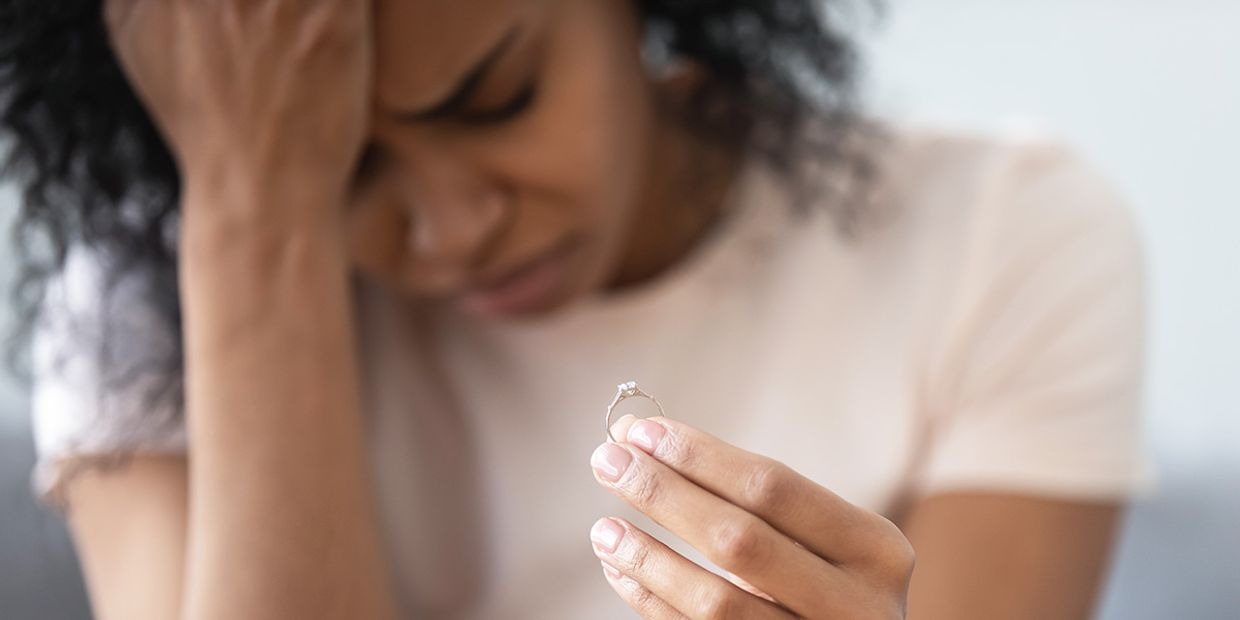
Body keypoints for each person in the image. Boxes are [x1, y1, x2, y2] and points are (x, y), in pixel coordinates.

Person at [0, 1, 1148, 618]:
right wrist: (255, 211)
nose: (451, 227)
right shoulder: (146, 311)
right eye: (344, 167)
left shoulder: (1003, 235)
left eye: (496, 98)